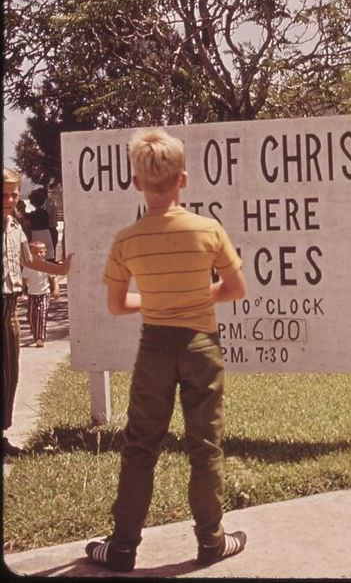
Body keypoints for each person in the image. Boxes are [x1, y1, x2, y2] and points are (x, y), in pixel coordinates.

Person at [85, 129, 248, 572]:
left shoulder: (127, 239)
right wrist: (193, 298)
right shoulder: (208, 230)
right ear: (184, 179)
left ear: (136, 183)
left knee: (140, 445)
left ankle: (121, 548)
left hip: (155, 346)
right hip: (200, 346)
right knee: (205, 446)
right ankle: (211, 542)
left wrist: (160, 301)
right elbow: (234, 288)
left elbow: (117, 305)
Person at [3, 168, 73, 459]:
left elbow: (30, 260)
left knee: (9, 373)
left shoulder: (16, 228)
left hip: (9, 311)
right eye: (3, 193)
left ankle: (2, 434)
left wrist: (61, 269)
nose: (8, 199)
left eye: (13, 193)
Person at [22, 240, 59, 347]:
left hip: (44, 294)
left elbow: (54, 278)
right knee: (30, 316)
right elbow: (24, 281)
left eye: (41, 252)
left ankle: (40, 338)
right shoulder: (28, 266)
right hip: (31, 295)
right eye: (36, 252)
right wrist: (21, 292)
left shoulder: (46, 266)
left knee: (41, 315)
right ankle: (35, 333)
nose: (39, 254)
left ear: (45, 252)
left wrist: (56, 289)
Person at [27, 188, 57, 260]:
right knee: (47, 254)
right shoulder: (44, 212)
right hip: (46, 233)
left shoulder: (33, 214)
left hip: (36, 233)